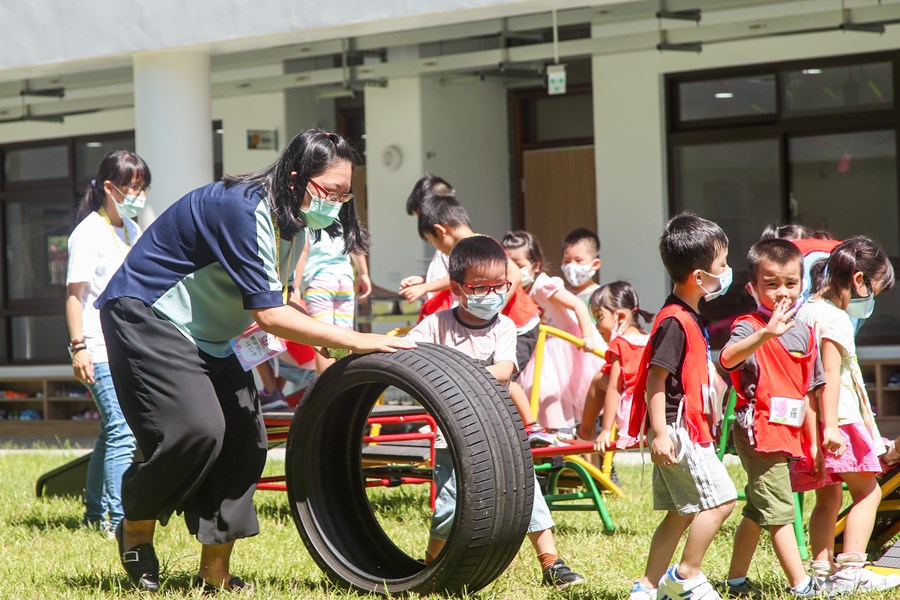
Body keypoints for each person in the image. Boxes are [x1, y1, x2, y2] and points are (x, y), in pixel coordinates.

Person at [95, 129, 414, 592]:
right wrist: (354, 338)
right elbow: (268, 314)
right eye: (329, 191)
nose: (337, 203)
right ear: (294, 177)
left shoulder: (296, 224)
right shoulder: (243, 209)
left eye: (346, 195)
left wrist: (322, 338)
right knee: (198, 429)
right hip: (148, 314)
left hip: (215, 334)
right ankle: (137, 527)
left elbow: (273, 300)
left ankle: (215, 573)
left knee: (247, 441)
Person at [405, 235, 584, 591]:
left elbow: (503, 369)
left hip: (500, 432)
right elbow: (405, 351)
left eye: (499, 286)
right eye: (480, 287)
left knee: (527, 495)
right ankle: (428, 567)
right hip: (451, 439)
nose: (491, 295)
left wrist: (456, 374)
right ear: (457, 288)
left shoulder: (503, 326)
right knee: (449, 507)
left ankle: (552, 563)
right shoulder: (436, 325)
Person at [626, 212, 737, 600]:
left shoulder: (687, 315)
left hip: (681, 429)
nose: (728, 272)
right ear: (699, 277)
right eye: (722, 265)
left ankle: (646, 587)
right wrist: (660, 433)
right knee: (722, 500)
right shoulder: (675, 321)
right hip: (679, 432)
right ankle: (686, 576)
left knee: (683, 511)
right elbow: (655, 379)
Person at [718, 239, 826, 598]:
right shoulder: (748, 325)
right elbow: (728, 358)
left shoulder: (806, 333)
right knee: (780, 511)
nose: (782, 292)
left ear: (802, 284)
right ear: (752, 288)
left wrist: (814, 443)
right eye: (772, 283)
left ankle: (736, 581)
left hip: (788, 433)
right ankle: (802, 585)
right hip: (758, 432)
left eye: (791, 283)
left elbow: (810, 391)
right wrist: (765, 334)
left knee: (758, 509)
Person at [793, 236, 899, 593]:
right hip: (840, 420)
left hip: (812, 420)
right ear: (858, 281)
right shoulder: (835, 319)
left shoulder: (805, 309)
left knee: (828, 497)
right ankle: (851, 570)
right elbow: (830, 376)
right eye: (876, 291)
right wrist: (834, 427)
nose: (872, 302)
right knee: (867, 493)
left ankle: (821, 572)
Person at [406, 199, 547, 446]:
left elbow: (513, 274)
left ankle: (531, 426)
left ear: (441, 231)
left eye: (433, 242)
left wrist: (493, 308)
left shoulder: (485, 247)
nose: (490, 292)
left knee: (505, 378)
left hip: (520, 323)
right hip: (477, 323)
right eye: (481, 288)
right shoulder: (441, 318)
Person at [65, 150, 149, 537]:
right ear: (110, 187)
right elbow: (74, 295)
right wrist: (78, 346)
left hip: (127, 344)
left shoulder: (131, 228)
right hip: (98, 346)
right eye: (133, 187)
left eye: (143, 187)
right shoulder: (88, 232)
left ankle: (94, 513)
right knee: (122, 431)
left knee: (110, 431)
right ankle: (117, 522)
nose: (139, 194)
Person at [502, 230, 602, 435]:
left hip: (567, 345)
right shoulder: (520, 291)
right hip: (544, 347)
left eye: (519, 266)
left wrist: (587, 337)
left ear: (535, 265)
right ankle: (552, 439)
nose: (514, 273)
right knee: (536, 392)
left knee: (552, 393)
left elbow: (578, 305)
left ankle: (567, 440)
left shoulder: (542, 285)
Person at [576, 281, 653, 452]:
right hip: (651, 408)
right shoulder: (650, 339)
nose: (596, 326)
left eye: (599, 317)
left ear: (621, 317)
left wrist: (605, 430)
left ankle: (584, 434)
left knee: (599, 378)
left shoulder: (620, 343)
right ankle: (585, 435)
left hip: (633, 411)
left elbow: (614, 388)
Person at [296, 221, 372, 373]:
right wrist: (363, 274)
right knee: (344, 339)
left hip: (319, 280)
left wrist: (296, 285)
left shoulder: (310, 214)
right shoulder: (341, 214)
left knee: (322, 339)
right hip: (344, 279)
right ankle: (343, 389)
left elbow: (303, 251)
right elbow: (355, 242)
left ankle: (326, 393)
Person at [403, 174, 456, 301]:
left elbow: (460, 277)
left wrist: (426, 287)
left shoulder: (456, 246)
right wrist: (424, 279)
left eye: (421, 217)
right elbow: (446, 276)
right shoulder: (443, 246)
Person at [560, 228, 602, 307]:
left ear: (595, 264)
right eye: (567, 261)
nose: (571, 266)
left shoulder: (602, 297)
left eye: (578, 260)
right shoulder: (560, 295)